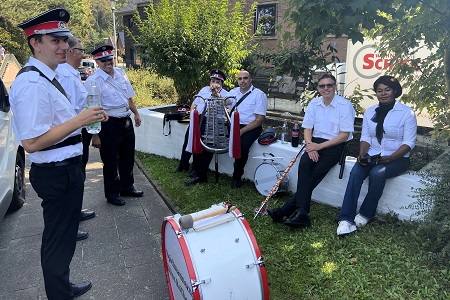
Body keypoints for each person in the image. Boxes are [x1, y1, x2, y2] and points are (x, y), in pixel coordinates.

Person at [10, 8, 107, 299]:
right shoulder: (31, 83)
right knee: (58, 241)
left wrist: (83, 119)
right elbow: (31, 142)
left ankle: (62, 286)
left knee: (63, 239)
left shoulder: (46, 77)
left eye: (65, 39)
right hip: (56, 173)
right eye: (55, 40)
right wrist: (81, 120)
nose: (64, 46)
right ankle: (59, 293)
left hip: (65, 168)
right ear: (35, 43)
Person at [267, 74, 355, 227]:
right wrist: (309, 145)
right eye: (322, 86)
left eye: (329, 85)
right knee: (304, 165)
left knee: (313, 175)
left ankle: (285, 211)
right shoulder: (314, 104)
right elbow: (307, 128)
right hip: (314, 143)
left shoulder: (345, 106)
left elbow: (344, 135)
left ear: (335, 87)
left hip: (335, 145)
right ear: (318, 88)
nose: (326, 88)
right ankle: (301, 213)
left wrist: (318, 147)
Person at [336, 76, 417, 236]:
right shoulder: (370, 111)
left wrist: (391, 158)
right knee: (356, 173)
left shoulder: (407, 113)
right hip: (373, 155)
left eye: (387, 90)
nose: (383, 93)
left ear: (395, 91)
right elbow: (366, 137)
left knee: (377, 173)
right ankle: (345, 218)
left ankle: (366, 213)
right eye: (379, 90)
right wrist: (362, 154)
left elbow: (409, 142)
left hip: (398, 159)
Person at [85, 45, 143, 206]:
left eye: (109, 59)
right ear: (97, 61)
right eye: (103, 61)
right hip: (108, 124)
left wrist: (136, 113)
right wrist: (95, 134)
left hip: (125, 120)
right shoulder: (93, 81)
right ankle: (112, 193)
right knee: (110, 161)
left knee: (128, 157)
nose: (107, 63)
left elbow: (129, 97)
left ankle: (127, 187)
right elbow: (91, 109)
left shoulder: (121, 73)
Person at [56, 36, 97, 241]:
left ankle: (75, 212)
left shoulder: (71, 74)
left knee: (79, 176)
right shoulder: (64, 75)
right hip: (71, 133)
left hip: (78, 131)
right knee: (73, 179)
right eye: (81, 49)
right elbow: (69, 109)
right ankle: (69, 226)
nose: (83, 53)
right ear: (72, 51)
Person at [183, 69, 230, 184]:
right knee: (196, 144)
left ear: (221, 84)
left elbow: (226, 103)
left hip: (214, 123)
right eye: (213, 81)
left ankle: (201, 175)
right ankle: (196, 170)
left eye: (218, 82)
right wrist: (192, 114)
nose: (214, 84)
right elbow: (195, 102)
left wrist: (217, 94)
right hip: (200, 120)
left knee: (208, 148)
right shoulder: (204, 90)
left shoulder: (226, 94)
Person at [228, 70, 268, 188]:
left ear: (251, 80)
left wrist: (241, 131)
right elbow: (224, 102)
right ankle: (199, 171)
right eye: (240, 79)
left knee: (242, 147)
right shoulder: (233, 92)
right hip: (233, 125)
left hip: (251, 127)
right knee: (211, 135)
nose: (242, 81)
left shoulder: (259, 95)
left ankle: (236, 177)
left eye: (245, 78)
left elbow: (259, 120)